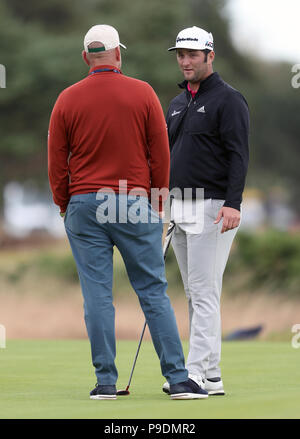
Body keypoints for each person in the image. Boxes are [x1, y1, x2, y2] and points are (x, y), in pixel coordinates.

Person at [48, 24, 208, 400]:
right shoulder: (143, 93)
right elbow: (160, 153)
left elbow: (57, 161)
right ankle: (178, 379)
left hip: (85, 204)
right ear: (119, 53)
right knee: (153, 291)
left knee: (97, 295)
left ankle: (105, 382)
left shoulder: (67, 98)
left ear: (86, 57)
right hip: (133, 200)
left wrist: (63, 203)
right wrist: (159, 199)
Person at [163, 26, 249, 396]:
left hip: (212, 206)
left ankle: (195, 374)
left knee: (203, 292)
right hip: (179, 206)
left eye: (192, 55)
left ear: (209, 56)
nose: (185, 60)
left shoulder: (228, 100)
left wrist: (233, 203)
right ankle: (211, 375)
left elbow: (239, 154)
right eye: (181, 54)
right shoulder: (178, 102)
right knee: (194, 291)